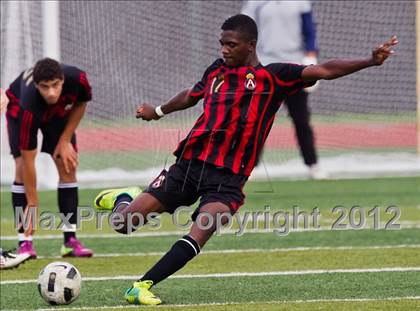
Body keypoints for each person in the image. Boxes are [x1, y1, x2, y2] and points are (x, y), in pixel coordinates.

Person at [93, 14, 397, 305]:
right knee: (123, 223)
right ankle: (124, 197)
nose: (224, 49)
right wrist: (158, 111)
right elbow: (190, 94)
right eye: (222, 44)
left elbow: (324, 70)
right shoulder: (216, 70)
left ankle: (141, 286)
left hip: (228, 180)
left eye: (231, 45)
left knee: (203, 227)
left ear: (250, 45)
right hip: (189, 166)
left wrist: (369, 61)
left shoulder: (274, 77)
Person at [5, 58, 94, 258]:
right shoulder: (29, 103)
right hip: (18, 107)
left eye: (55, 85)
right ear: (37, 86)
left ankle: (70, 241)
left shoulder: (78, 78)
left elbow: (81, 104)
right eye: (45, 87)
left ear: (62, 80)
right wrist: (33, 205)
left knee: (67, 165)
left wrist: (64, 140)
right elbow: (29, 160)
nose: (51, 92)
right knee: (20, 167)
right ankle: (25, 243)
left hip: (57, 114)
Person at [242, 0, 327, 179]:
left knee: (301, 119)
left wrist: (310, 56)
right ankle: (250, 166)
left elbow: (309, 31)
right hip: (265, 66)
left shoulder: (301, 3)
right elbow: (245, 32)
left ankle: (313, 165)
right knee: (257, 119)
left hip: (294, 66)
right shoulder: (255, 3)